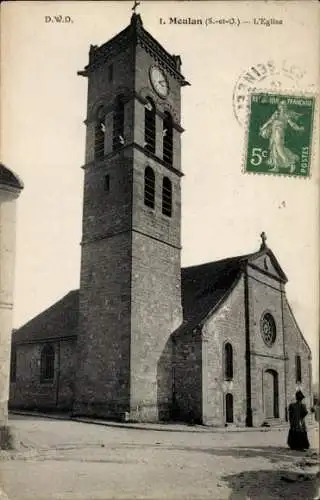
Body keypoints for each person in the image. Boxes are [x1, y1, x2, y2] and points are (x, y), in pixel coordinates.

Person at [259, 100, 304, 174]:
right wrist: (263, 128)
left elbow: (292, 124)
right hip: (273, 133)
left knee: (280, 149)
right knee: (274, 150)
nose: (283, 107)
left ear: (286, 107)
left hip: (279, 134)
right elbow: (269, 121)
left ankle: (291, 163)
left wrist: (299, 128)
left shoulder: (286, 115)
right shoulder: (276, 114)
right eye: (281, 105)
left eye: (284, 105)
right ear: (279, 106)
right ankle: (276, 167)